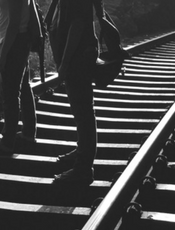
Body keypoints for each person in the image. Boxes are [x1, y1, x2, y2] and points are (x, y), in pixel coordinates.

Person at [48, 0, 99, 184]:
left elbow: (77, 25)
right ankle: (81, 152)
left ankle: (83, 169)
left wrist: (65, 62)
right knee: (81, 111)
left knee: (83, 112)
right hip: (77, 57)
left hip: (78, 59)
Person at [0, 0, 38, 156]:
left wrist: (3, 55)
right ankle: (28, 134)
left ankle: (7, 142)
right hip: (16, 41)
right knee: (24, 88)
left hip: (14, 42)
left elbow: (14, 23)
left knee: (10, 94)